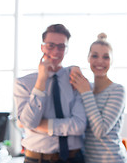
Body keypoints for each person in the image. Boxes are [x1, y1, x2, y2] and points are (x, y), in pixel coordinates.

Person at [14, 24, 86, 163]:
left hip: (73, 158)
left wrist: (43, 126)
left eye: (61, 46)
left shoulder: (75, 78)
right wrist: (41, 82)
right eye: (50, 45)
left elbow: (79, 125)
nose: (56, 51)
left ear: (66, 49)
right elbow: (28, 122)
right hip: (37, 158)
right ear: (42, 47)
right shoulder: (23, 83)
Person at [70, 33, 127, 163]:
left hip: (113, 160)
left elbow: (100, 131)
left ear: (112, 61)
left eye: (106, 57)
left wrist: (85, 93)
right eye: (95, 56)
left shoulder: (117, 90)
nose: (100, 61)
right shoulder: (86, 89)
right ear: (88, 58)